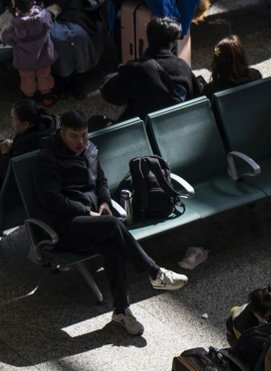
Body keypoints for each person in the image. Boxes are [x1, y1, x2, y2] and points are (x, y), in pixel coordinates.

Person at [33, 111, 189, 335]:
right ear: (61, 133)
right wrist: (88, 211)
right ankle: (154, 273)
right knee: (112, 226)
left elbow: (101, 181)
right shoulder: (47, 160)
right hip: (65, 227)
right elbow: (52, 200)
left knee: (113, 247)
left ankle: (121, 311)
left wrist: (104, 202)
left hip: (93, 220)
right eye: (74, 136)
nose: (81, 142)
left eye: (84, 135)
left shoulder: (89, 150)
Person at [100, 17, 203, 122]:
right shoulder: (182, 66)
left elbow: (109, 93)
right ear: (172, 43)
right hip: (178, 126)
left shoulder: (135, 68)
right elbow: (195, 96)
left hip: (144, 131)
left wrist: (122, 69)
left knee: (97, 121)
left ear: (149, 38)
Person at [44, 0, 107, 99]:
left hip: (77, 9)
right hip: (47, 10)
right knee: (57, 39)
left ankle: (78, 78)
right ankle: (62, 79)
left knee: (79, 37)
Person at [1, 0, 56, 106]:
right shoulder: (44, 15)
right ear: (33, 3)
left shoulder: (14, 23)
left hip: (24, 58)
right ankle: (46, 96)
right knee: (44, 75)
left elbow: (6, 37)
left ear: (15, 8)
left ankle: (29, 97)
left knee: (27, 78)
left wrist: (14, 42)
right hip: (43, 54)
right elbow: (50, 26)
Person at [226, 285, 271, 365]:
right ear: (262, 313)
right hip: (237, 337)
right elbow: (250, 344)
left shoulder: (265, 305)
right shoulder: (246, 325)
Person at [0, 99, 57, 179]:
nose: (11, 121)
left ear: (25, 124)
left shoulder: (22, 149)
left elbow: (7, 176)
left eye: (13, 118)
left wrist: (5, 153)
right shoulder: (51, 128)